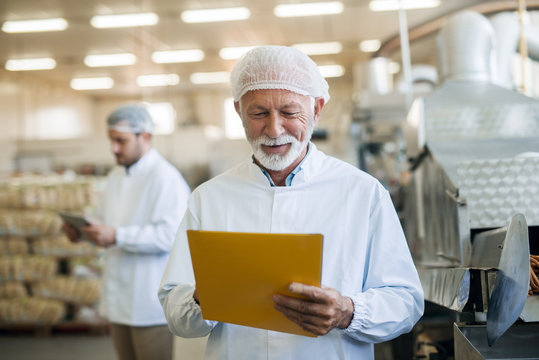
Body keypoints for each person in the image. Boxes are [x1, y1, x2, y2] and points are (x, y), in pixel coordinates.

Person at [158, 46, 424, 359]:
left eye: (289, 112)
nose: (274, 129)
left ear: (317, 108)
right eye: (258, 113)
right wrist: (202, 299)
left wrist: (347, 312)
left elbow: (405, 301)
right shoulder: (210, 198)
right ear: (238, 111)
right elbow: (175, 310)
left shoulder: (362, 193)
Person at [62, 104, 190, 360]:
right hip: (119, 299)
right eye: (111, 141)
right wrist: (86, 231)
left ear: (145, 136)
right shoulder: (115, 176)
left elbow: (170, 236)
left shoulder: (165, 178)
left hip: (150, 303)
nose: (114, 149)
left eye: (121, 141)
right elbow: (107, 222)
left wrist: (117, 236)